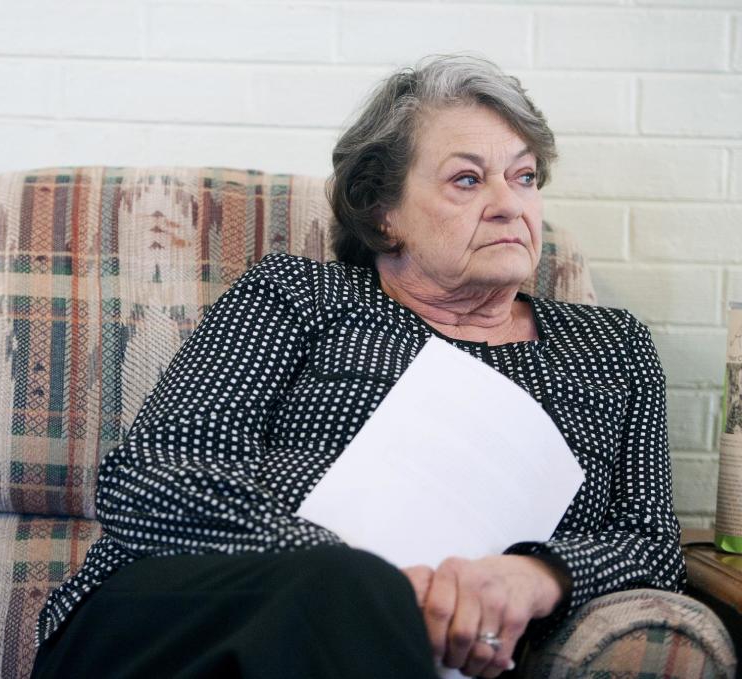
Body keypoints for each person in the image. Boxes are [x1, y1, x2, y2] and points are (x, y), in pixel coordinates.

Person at [33, 55, 686, 679]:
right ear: (384, 211)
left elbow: (650, 542)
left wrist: (536, 575)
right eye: (467, 179)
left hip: (431, 653)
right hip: (189, 623)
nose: (510, 204)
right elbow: (153, 476)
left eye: (524, 177)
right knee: (350, 590)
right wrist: (376, 585)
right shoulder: (298, 295)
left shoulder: (611, 346)